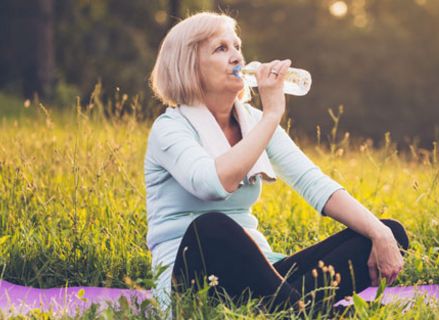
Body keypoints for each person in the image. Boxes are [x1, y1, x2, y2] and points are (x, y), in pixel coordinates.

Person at [145, 11, 409, 316]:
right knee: (212, 226)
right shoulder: (171, 128)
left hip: (264, 275)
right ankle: (307, 312)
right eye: (221, 49)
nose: (236, 57)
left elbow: (314, 183)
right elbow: (213, 185)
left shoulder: (252, 121)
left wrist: (379, 233)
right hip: (195, 279)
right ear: (189, 66)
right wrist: (272, 114)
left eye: (237, 47)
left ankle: (285, 310)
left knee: (388, 232)